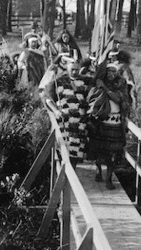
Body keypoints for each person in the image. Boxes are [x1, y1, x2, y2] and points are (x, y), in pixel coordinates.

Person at [85, 61, 131, 190]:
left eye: (113, 72)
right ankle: (99, 170)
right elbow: (91, 97)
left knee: (114, 152)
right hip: (101, 122)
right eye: (108, 71)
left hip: (116, 123)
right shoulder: (98, 83)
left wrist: (105, 88)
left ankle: (109, 178)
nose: (111, 74)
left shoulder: (120, 84)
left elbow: (119, 99)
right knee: (99, 150)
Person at [42, 57, 91, 167]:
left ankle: (71, 174)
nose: (74, 72)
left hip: (79, 123)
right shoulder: (58, 81)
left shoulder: (85, 81)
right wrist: (55, 111)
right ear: (67, 68)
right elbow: (48, 99)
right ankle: (62, 174)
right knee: (62, 149)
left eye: (76, 70)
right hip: (64, 121)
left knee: (76, 150)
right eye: (72, 69)